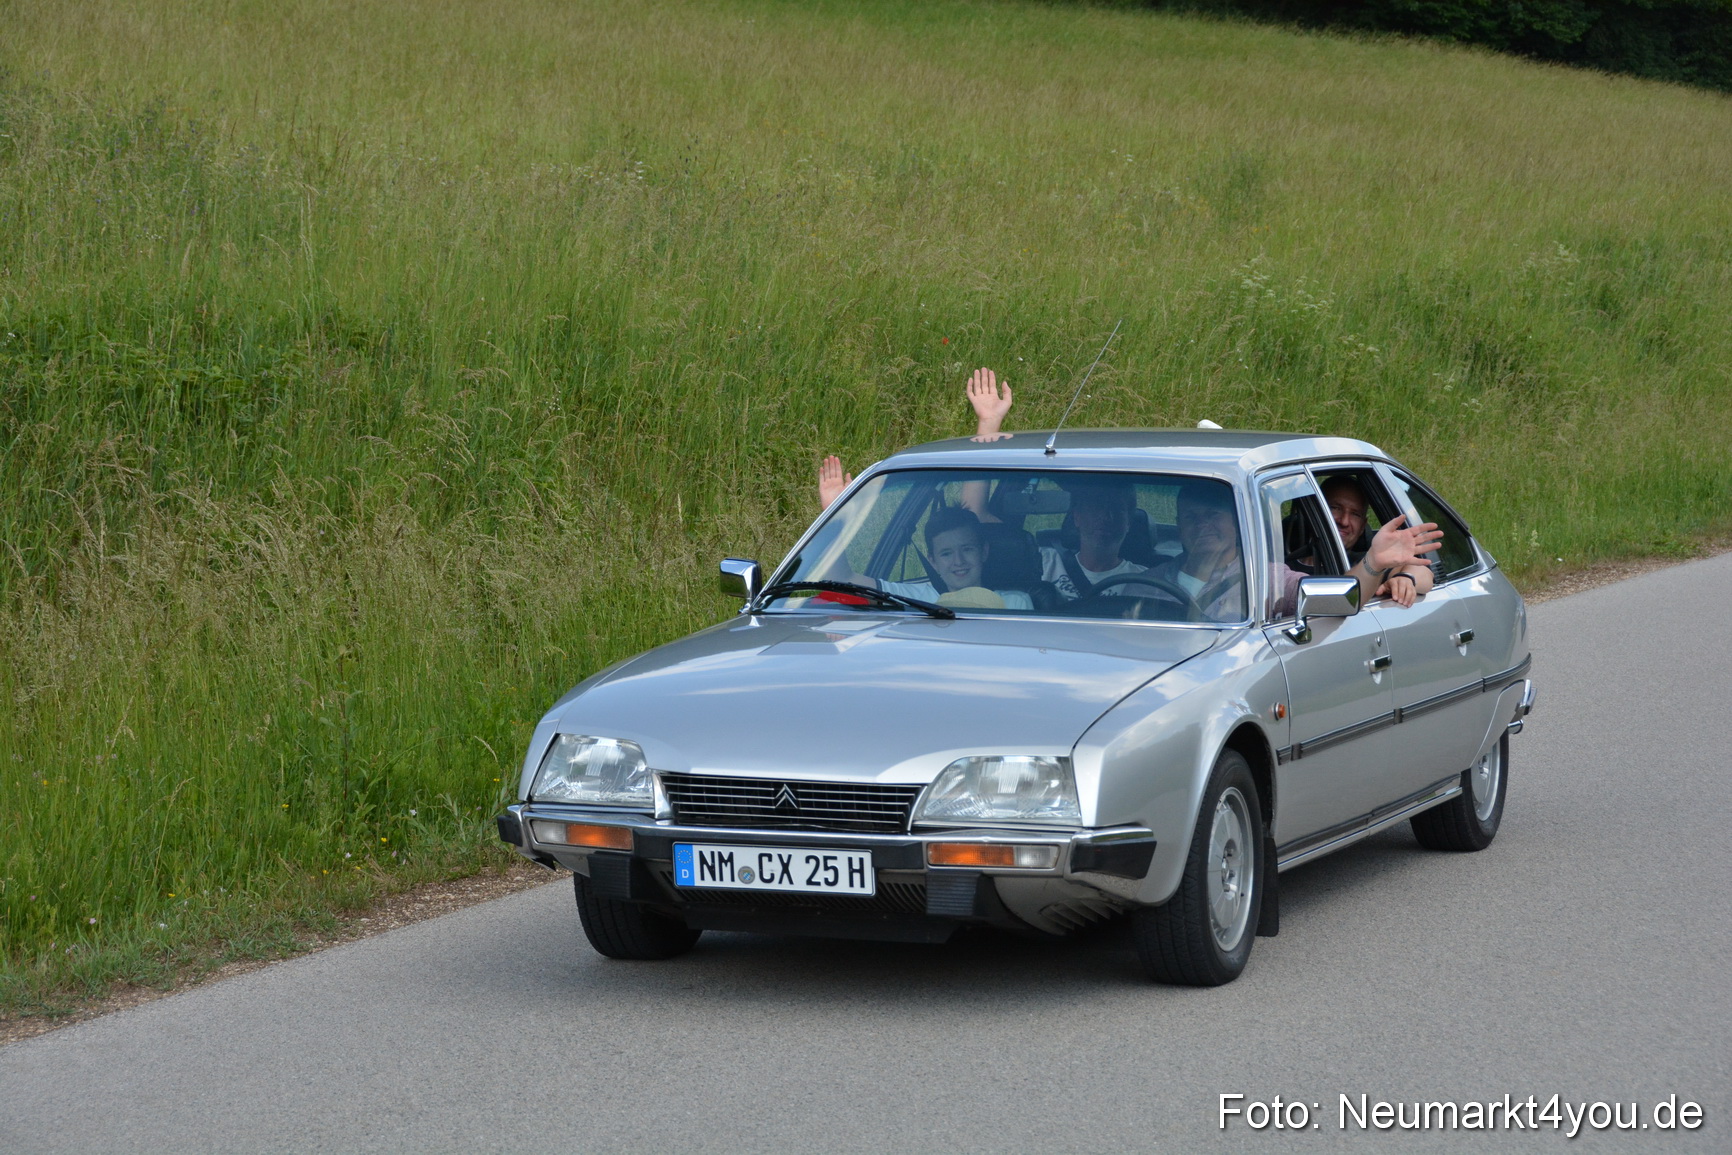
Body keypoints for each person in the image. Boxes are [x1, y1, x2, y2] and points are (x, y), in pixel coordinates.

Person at [816, 506, 1033, 610]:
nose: (958, 561)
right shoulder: (912, 597)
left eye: (967, 549)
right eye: (946, 554)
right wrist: (834, 514)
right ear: (933, 561)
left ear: (983, 552)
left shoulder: (1015, 602)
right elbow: (841, 581)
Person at [1318, 475, 1434, 608]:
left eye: (1355, 514)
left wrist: (1406, 578)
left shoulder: (1368, 563)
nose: (1344, 521)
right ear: (1317, 510)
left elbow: (1424, 573)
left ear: (1363, 526)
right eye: (1335, 508)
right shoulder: (1288, 562)